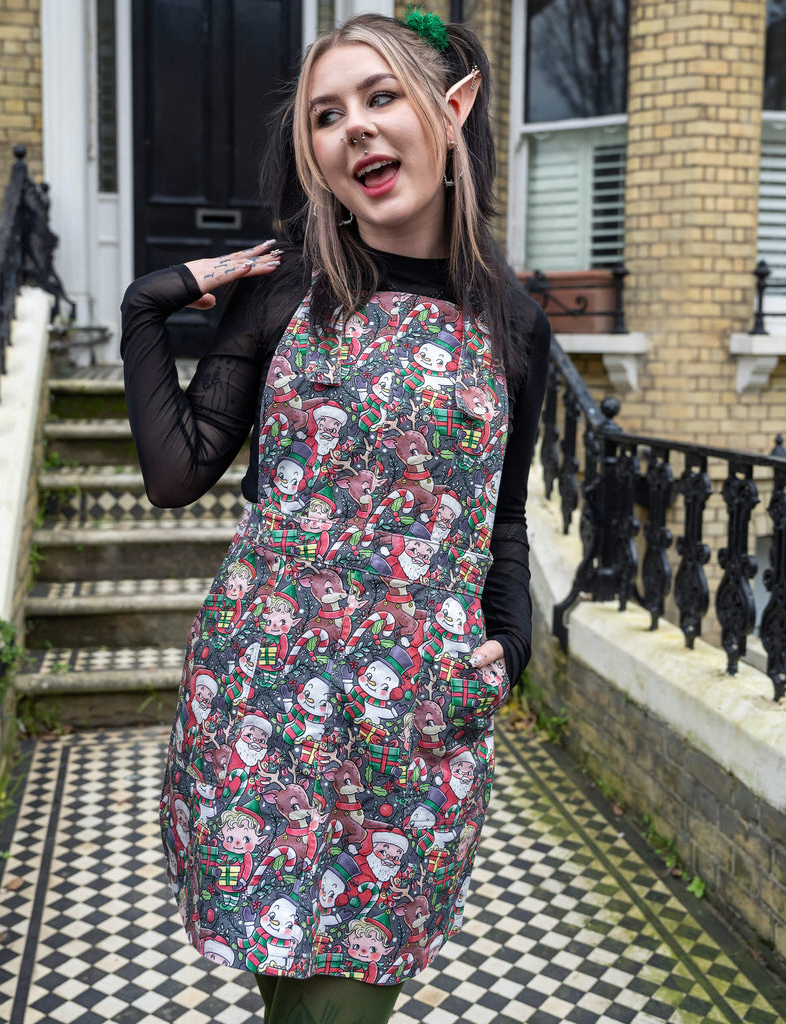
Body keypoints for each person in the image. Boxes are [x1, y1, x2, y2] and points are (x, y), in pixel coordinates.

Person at [121, 9, 551, 1023]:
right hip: (263, 705)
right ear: (313, 153)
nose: (353, 127)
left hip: (416, 720)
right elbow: (177, 473)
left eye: (379, 97)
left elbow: (505, 524)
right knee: (292, 1006)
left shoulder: (515, 323)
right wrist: (148, 309)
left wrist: (512, 643)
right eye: (326, 114)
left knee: (344, 1011)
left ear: (451, 110)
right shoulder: (285, 292)